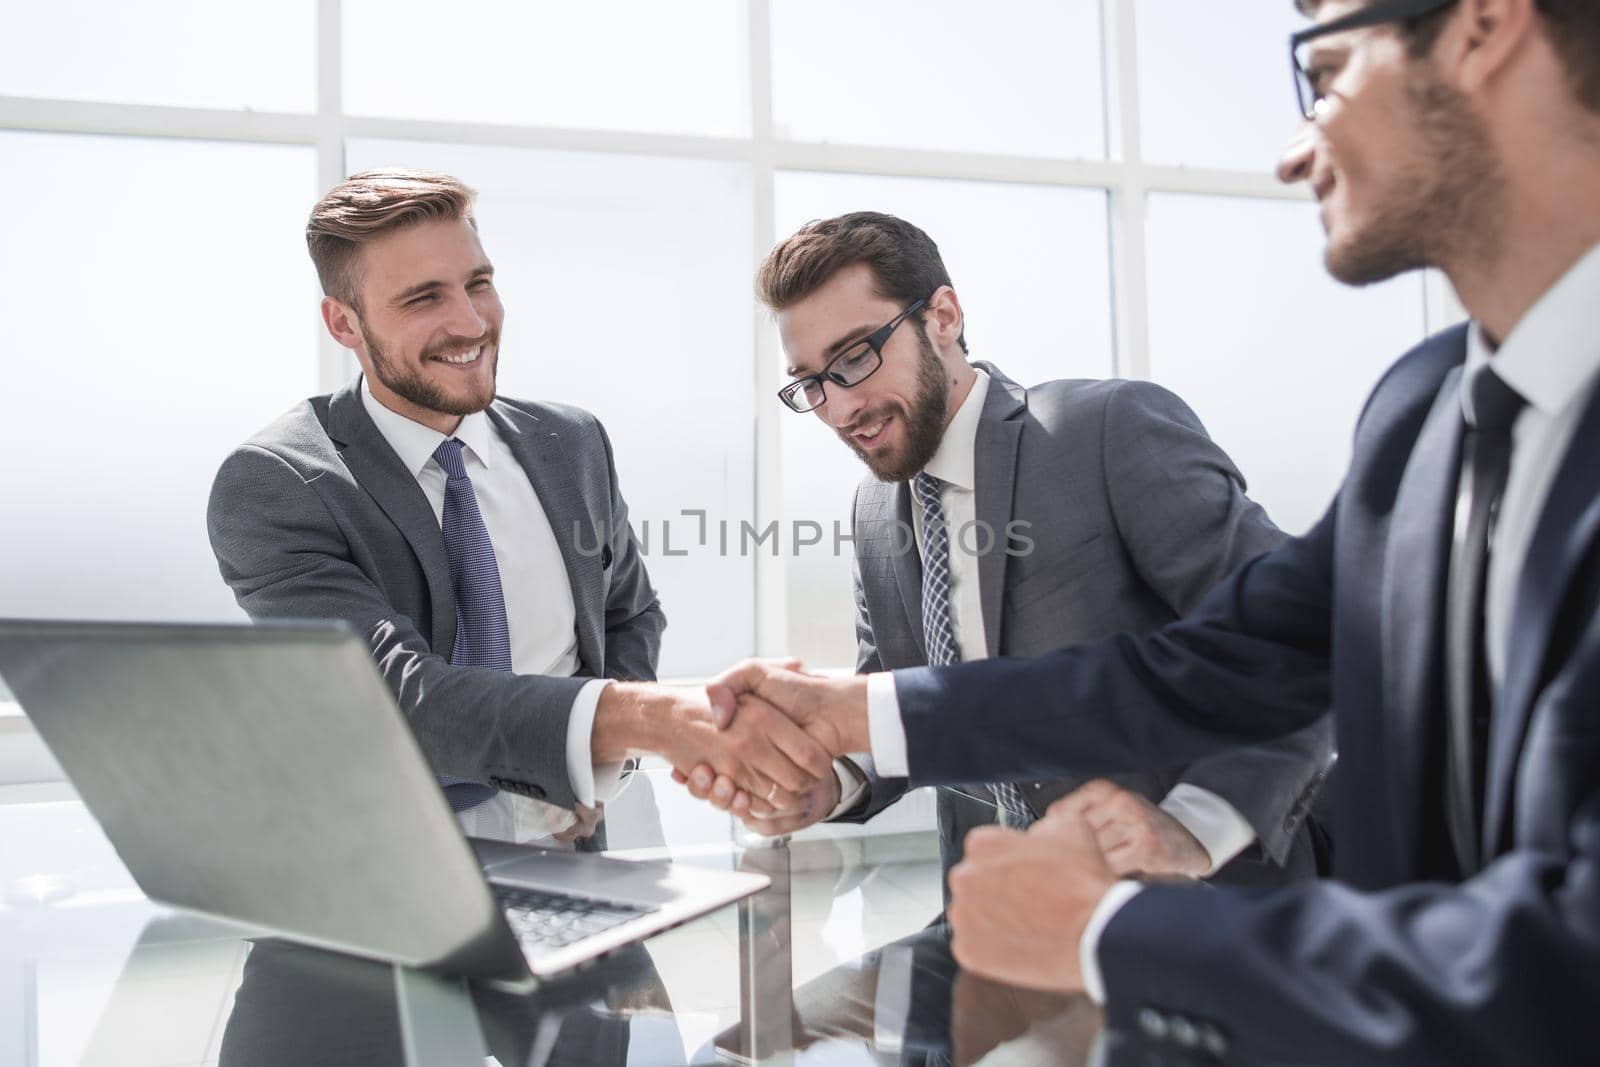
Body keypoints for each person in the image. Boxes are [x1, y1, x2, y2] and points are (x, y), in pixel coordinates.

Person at [705, 0, 1600, 1060]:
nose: (1291, 150)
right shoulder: (1420, 410)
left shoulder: (1103, 428)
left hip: (1239, 942)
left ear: (1482, 28)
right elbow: (1202, 667)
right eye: (813, 382)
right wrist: (844, 720)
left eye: (1323, 73)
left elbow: (1564, 958)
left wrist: (1115, 926)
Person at [686, 212, 1331, 889]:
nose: (841, 406)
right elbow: (896, 698)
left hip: (1211, 913)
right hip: (999, 915)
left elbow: (1297, 646)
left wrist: (1193, 830)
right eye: (812, 381)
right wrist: (830, 782)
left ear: (943, 316)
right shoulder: (874, 509)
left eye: (854, 357)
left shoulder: (1106, 431)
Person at [207, 169, 829, 847]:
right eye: (423, 298)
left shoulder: (572, 442)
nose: (471, 322)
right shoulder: (278, 483)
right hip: (389, 867)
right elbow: (390, 696)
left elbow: (629, 614)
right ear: (343, 323)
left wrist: (600, 767)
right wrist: (645, 719)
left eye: (478, 283)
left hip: (587, 844)